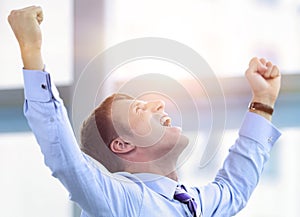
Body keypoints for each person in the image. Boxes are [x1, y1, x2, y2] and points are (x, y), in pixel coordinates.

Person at [8, 6, 282, 217]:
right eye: (140, 108)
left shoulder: (196, 203)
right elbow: (67, 161)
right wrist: (31, 52)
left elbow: (234, 188)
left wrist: (264, 100)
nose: (158, 104)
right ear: (122, 144)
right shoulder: (122, 201)